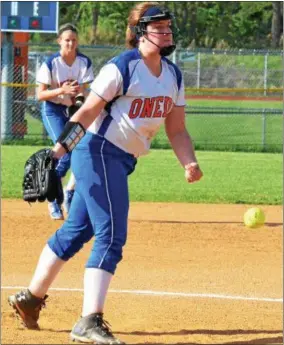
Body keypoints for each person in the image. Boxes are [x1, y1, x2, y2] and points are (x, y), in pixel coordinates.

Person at [8, 3, 203, 344]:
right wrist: (57, 153)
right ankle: (89, 320)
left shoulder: (173, 75)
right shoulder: (121, 68)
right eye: (158, 27)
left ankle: (30, 298)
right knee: (111, 234)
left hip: (121, 159)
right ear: (141, 33)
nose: (167, 31)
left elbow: (177, 130)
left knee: (76, 231)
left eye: (168, 26)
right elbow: (85, 114)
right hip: (97, 152)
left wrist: (188, 161)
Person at [37, 23, 94, 220]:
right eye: (67, 39)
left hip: (74, 111)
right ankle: (54, 199)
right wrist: (62, 90)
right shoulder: (51, 63)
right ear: (59, 41)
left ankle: (68, 192)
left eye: (74, 40)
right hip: (53, 110)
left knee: (82, 152)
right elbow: (40, 94)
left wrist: (81, 93)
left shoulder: (84, 62)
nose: (70, 43)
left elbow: (87, 91)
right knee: (66, 151)